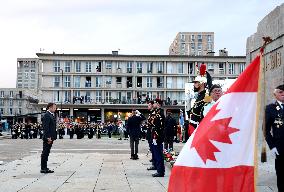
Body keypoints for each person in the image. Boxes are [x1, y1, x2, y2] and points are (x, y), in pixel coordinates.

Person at [265, 84, 284, 192]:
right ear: (275, 94)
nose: (283, 94)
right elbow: (266, 130)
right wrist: (272, 146)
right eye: (280, 92)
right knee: (281, 176)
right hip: (280, 147)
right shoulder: (271, 108)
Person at [40, 103, 57, 173]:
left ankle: (45, 167)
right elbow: (46, 128)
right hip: (48, 138)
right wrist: (48, 137)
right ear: (50, 107)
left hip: (50, 137)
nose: (55, 109)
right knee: (45, 152)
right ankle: (43, 168)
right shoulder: (47, 115)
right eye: (54, 107)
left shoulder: (50, 115)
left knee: (46, 153)